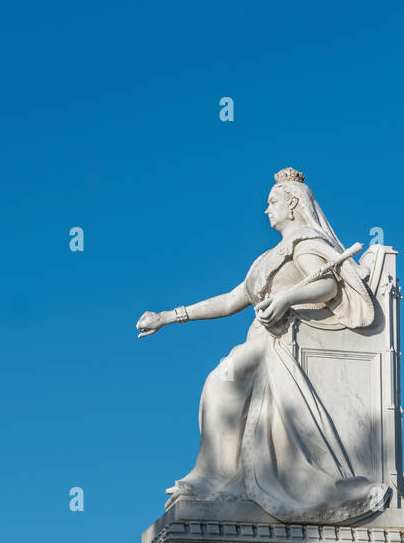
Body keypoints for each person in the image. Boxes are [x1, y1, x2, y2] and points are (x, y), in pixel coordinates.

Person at [136, 168, 379, 523]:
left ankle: (212, 480)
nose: (266, 210)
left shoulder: (307, 242)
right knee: (220, 383)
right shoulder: (268, 256)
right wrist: (168, 316)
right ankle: (215, 477)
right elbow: (232, 300)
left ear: (293, 202)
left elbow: (326, 286)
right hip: (261, 337)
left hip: (282, 340)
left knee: (221, 382)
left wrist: (285, 299)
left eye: (272, 202)